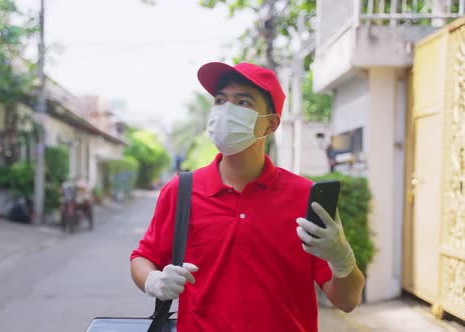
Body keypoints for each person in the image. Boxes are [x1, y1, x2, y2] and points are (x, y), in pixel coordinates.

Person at [130, 62, 365, 331]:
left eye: (243, 102)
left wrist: (341, 258)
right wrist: (153, 281)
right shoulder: (181, 190)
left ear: (271, 124)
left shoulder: (303, 196)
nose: (226, 110)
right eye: (220, 100)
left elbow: (347, 301)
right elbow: (142, 257)